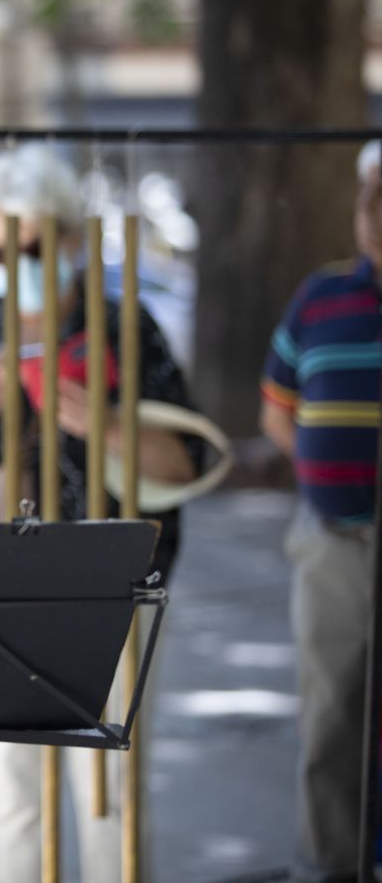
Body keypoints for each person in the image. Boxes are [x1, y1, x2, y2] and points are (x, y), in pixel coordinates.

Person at [0, 145, 201, 883]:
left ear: (70, 238)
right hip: (4, 596)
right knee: (17, 805)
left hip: (116, 587)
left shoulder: (124, 328)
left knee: (109, 803)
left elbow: (186, 468)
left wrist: (106, 421)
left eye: (27, 245)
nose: (10, 262)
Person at [260, 141, 382, 883]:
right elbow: (280, 411)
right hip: (336, 540)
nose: (373, 210)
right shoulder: (321, 296)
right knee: (332, 718)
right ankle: (329, 868)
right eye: (368, 193)